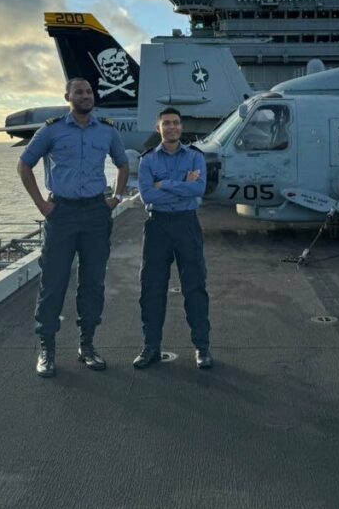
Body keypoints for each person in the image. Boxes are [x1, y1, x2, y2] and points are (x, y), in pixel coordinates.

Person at [17, 77, 129, 378]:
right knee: (53, 282)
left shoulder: (106, 130)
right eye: (79, 92)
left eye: (89, 92)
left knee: (92, 283)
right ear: (67, 96)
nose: (85, 96)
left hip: (96, 213)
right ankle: (47, 348)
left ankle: (87, 345)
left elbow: (123, 164)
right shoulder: (51, 129)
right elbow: (24, 164)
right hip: (62, 213)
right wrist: (41, 204)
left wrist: (116, 197)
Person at [133, 107, 212, 370]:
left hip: (186, 224)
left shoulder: (195, 157)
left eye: (176, 123)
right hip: (158, 227)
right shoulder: (147, 160)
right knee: (152, 288)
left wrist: (164, 184)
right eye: (166, 123)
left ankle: (202, 348)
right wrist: (182, 185)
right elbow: (147, 196)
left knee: (195, 287)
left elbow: (199, 189)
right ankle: (151, 347)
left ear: (181, 126)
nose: (171, 127)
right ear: (159, 128)